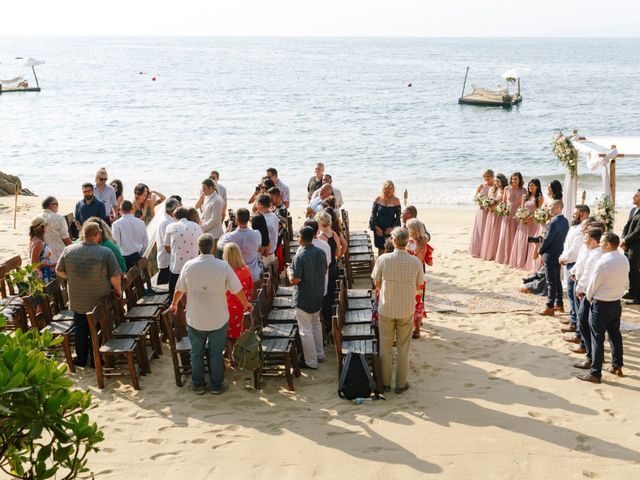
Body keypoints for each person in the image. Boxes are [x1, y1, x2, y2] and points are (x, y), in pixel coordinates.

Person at [170, 234, 253, 395]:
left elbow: (179, 289)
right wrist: (246, 304)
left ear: (198, 247)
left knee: (196, 352)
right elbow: (237, 289)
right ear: (213, 247)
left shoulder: (189, 265)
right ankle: (216, 385)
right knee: (216, 353)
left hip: (195, 317)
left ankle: (198, 384)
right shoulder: (222, 266)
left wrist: (174, 304)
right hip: (218, 317)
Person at [56, 222, 122, 368]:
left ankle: (81, 359)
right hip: (98, 299)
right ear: (98, 235)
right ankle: (95, 360)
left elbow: (59, 270)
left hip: (77, 298)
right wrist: (118, 290)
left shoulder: (68, 250)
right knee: (97, 329)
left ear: (83, 235)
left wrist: (72, 277)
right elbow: (115, 276)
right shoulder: (105, 252)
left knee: (80, 328)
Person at [372, 227, 423, 394]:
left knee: (385, 348)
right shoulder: (415, 261)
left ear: (393, 241)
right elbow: (419, 285)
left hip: (387, 308)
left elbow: (377, 283)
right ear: (407, 241)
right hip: (406, 308)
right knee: (403, 348)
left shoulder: (384, 259)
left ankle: (385, 383)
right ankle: (401, 384)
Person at [577, 232, 630, 383]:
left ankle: (595, 373)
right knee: (615, 335)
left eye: (601, 242)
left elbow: (593, 285)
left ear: (608, 245)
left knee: (597, 339)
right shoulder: (624, 259)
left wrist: (588, 297)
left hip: (601, 304)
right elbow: (625, 281)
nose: (599, 244)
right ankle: (617, 365)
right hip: (616, 303)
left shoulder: (603, 262)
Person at [288, 227, 328, 369]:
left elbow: (295, 280)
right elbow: (325, 270)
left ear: (301, 238)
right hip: (317, 294)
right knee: (316, 324)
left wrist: (289, 273)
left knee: (305, 331)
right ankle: (319, 354)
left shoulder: (300, 256)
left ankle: (311, 361)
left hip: (304, 297)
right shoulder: (321, 253)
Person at [570, 227, 603, 367]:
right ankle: (594, 356)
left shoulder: (595, 255)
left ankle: (591, 357)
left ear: (594, 241)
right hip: (591, 292)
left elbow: (588, 274)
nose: (584, 241)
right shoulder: (593, 252)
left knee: (584, 323)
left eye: (586, 238)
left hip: (588, 293)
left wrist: (579, 289)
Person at [559, 205, 591, 330]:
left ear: (582, 215)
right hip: (570, 263)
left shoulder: (581, 230)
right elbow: (567, 245)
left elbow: (575, 250)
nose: (572, 217)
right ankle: (573, 318)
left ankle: (575, 323)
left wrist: (564, 258)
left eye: (574, 214)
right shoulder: (576, 227)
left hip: (574, 264)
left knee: (574, 295)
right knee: (571, 296)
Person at [222, 242, 254, 363]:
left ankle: (233, 358)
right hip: (243, 307)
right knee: (241, 333)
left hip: (228, 308)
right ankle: (243, 356)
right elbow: (251, 289)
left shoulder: (223, 272)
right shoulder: (246, 270)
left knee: (229, 335)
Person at [536, 200, 569, 316]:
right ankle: (559, 303)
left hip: (550, 254)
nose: (548, 209)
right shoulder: (565, 221)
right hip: (559, 252)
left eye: (551, 207)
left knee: (550, 281)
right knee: (557, 280)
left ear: (558, 208)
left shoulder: (554, 222)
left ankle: (549, 306)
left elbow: (548, 239)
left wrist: (540, 250)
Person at [164, 207, 202, 300]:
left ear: (175, 216)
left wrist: (174, 252)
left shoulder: (171, 227)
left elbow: (166, 246)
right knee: (194, 294)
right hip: (194, 265)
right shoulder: (196, 226)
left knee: (173, 292)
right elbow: (201, 243)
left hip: (177, 266)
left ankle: (174, 306)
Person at [218, 208, 263, 282]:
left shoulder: (230, 236)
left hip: (237, 275)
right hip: (254, 273)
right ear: (248, 219)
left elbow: (219, 245)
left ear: (236, 220)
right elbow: (259, 247)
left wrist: (227, 231)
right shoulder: (257, 234)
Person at [406, 219, 433, 339]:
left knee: (409, 302)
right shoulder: (425, 244)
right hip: (420, 276)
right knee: (419, 302)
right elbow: (430, 262)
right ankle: (417, 329)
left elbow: (407, 259)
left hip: (410, 276)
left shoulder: (410, 243)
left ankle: (410, 327)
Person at [315, 212, 341, 336]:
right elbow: (339, 252)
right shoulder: (334, 234)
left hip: (326, 271)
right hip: (333, 268)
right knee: (331, 296)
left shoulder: (321, 237)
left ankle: (327, 325)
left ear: (319, 222)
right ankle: (332, 324)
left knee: (325, 299)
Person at [509, 178, 543, 271]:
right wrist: (522, 217)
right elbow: (522, 208)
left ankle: (528, 262)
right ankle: (520, 261)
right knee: (521, 241)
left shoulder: (539, 198)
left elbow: (537, 211)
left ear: (537, 186)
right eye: (529, 185)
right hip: (523, 221)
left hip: (533, 222)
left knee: (530, 241)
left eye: (532, 185)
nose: (530, 187)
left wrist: (529, 218)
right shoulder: (525, 196)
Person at [495, 172, 526, 265]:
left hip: (517, 216)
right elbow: (504, 202)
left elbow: (524, 204)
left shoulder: (523, 190)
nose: (513, 180)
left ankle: (514, 258)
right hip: (507, 215)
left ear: (520, 180)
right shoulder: (507, 188)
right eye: (512, 178)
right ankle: (505, 258)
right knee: (505, 236)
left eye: (516, 179)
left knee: (515, 237)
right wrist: (502, 209)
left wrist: (522, 214)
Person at [112, 200, 149, 271]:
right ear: (132, 209)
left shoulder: (116, 224)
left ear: (121, 210)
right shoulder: (141, 222)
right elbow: (145, 243)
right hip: (137, 256)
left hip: (124, 259)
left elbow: (116, 245)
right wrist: (140, 255)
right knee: (139, 281)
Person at [370, 180, 402, 257]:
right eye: (387, 188)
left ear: (393, 190)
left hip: (390, 229)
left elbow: (398, 218)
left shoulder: (396, 200)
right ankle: (380, 267)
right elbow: (373, 216)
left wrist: (392, 229)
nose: (389, 190)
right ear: (384, 189)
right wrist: (376, 228)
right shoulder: (378, 199)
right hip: (379, 229)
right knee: (381, 250)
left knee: (390, 249)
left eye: (391, 188)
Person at [481, 173, 507, 261]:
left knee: (497, 233)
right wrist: (488, 205)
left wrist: (496, 208)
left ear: (502, 181)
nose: (496, 182)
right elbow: (488, 199)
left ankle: (497, 253)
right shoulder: (492, 189)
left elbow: (505, 203)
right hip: (491, 213)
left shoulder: (505, 190)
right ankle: (489, 252)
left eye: (498, 181)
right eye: (495, 180)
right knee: (490, 232)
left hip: (499, 214)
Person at [620, 189, 640, 305]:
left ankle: (638, 296)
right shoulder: (633, 210)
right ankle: (632, 292)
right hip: (628, 245)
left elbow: (638, 232)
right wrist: (623, 239)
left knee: (635, 271)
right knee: (629, 269)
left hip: (637, 247)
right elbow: (626, 226)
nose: (633, 197)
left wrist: (625, 240)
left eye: (636, 196)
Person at [469, 170, 494, 258]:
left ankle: (485, 250)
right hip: (481, 210)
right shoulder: (481, 186)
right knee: (480, 229)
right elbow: (476, 197)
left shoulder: (495, 187)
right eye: (485, 176)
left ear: (492, 177)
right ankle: (477, 250)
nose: (486, 178)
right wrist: (480, 203)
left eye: (488, 176)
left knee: (488, 230)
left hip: (490, 211)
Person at [156, 198, 180, 285]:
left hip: (167, 257)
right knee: (164, 283)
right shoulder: (166, 222)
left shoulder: (167, 219)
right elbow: (167, 243)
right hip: (166, 258)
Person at [41, 196, 72, 262]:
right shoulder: (59, 218)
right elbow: (65, 237)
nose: (58, 206)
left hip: (41, 253)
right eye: (57, 204)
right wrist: (73, 249)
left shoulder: (36, 218)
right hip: (57, 254)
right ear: (52, 205)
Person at [29, 216, 56, 282]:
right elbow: (34, 263)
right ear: (40, 227)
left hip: (45, 272)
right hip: (42, 275)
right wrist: (52, 265)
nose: (47, 226)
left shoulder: (35, 239)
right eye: (45, 224)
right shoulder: (38, 242)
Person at [198, 178, 224, 248]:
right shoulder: (207, 197)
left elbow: (214, 220)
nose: (202, 191)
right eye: (202, 189)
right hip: (206, 233)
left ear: (211, 188)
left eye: (204, 189)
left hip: (214, 236)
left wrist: (201, 228)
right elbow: (203, 213)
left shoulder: (217, 201)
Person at [255, 194, 279, 267]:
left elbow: (264, 242)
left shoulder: (263, 220)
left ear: (259, 204)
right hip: (272, 253)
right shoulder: (273, 216)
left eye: (256, 204)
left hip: (265, 256)